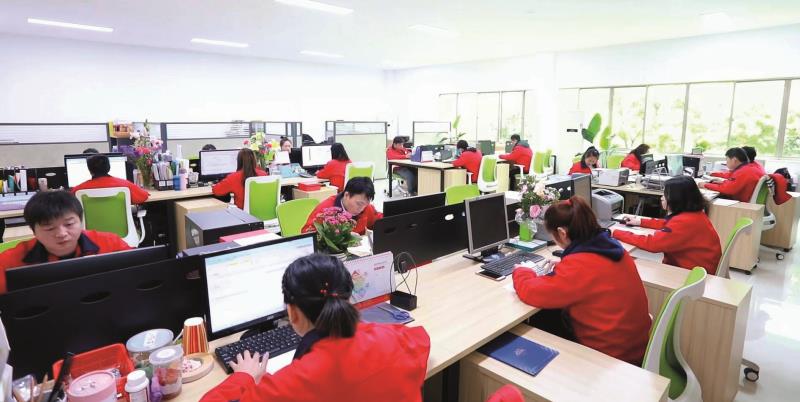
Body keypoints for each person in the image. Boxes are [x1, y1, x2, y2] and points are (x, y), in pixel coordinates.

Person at [200, 254, 430, 402]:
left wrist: (243, 377)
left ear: (292, 312)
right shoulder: (397, 338)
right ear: (348, 299)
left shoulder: (291, 384)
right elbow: (423, 339)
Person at [512, 196, 651, 365]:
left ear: (562, 233)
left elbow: (532, 292)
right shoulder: (610, 247)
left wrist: (521, 272)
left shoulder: (579, 267)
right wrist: (564, 266)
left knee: (541, 316)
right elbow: (593, 274)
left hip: (611, 358)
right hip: (635, 346)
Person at [0, 191, 131, 293]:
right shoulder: (9, 262)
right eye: (49, 228)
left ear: (80, 222)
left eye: (69, 224)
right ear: (33, 230)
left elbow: (136, 276)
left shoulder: (111, 243)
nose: (62, 234)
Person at [613, 176, 721, 275]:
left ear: (677, 198)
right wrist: (640, 222)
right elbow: (668, 224)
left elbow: (652, 244)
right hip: (699, 267)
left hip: (692, 274)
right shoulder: (693, 214)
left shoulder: (684, 222)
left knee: (629, 268)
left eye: (665, 194)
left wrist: (615, 232)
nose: (661, 198)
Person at [302, 177, 382, 235]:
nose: (362, 208)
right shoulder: (326, 210)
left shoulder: (366, 207)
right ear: (346, 195)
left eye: (366, 204)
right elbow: (307, 233)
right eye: (359, 204)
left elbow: (381, 222)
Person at [71, 154, 150, 204]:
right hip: (120, 226)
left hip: (90, 226)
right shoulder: (124, 185)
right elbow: (144, 196)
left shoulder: (78, 190)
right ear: (109, 168)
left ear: (90, 170)